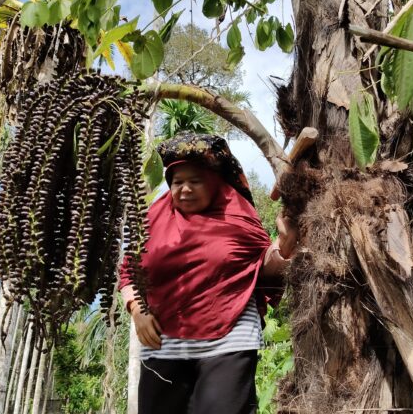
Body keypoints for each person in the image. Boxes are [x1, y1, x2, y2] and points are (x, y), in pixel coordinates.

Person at [118, 133, 297, 414]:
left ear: (215, 182)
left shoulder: (238, 214)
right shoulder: (153, 218)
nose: (185, 189)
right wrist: (138, 311)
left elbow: (261, 273)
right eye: (177, 182)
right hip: (164, 342)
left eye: (195, 181)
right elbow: (129, 271)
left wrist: (284, 247)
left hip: (229, 338)